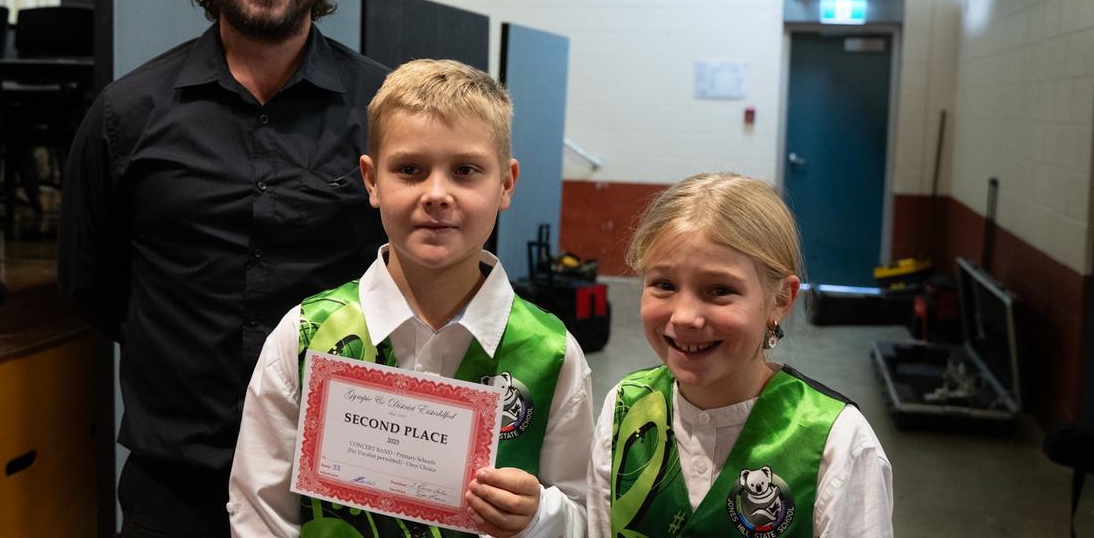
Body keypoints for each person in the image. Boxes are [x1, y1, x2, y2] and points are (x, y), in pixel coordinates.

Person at [58, 0, 388, 538]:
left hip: (339, 473)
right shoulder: (127, 114)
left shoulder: (387, 114)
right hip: (176, 475)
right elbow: (94, 285)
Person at [229, 59, 593, 537]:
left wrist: (540, 515)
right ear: (372, 180)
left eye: (465, 170)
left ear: (506, 182)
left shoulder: (552, 355)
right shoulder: (305, 335)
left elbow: (590, 518)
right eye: (409, 170)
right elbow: (260, 508)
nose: (436, 194)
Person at [586, 173, 893, 538]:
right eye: (664, 285)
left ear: (780, 299)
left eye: (719, 290)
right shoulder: (626, 408)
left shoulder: (836, 441)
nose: (684, 316)